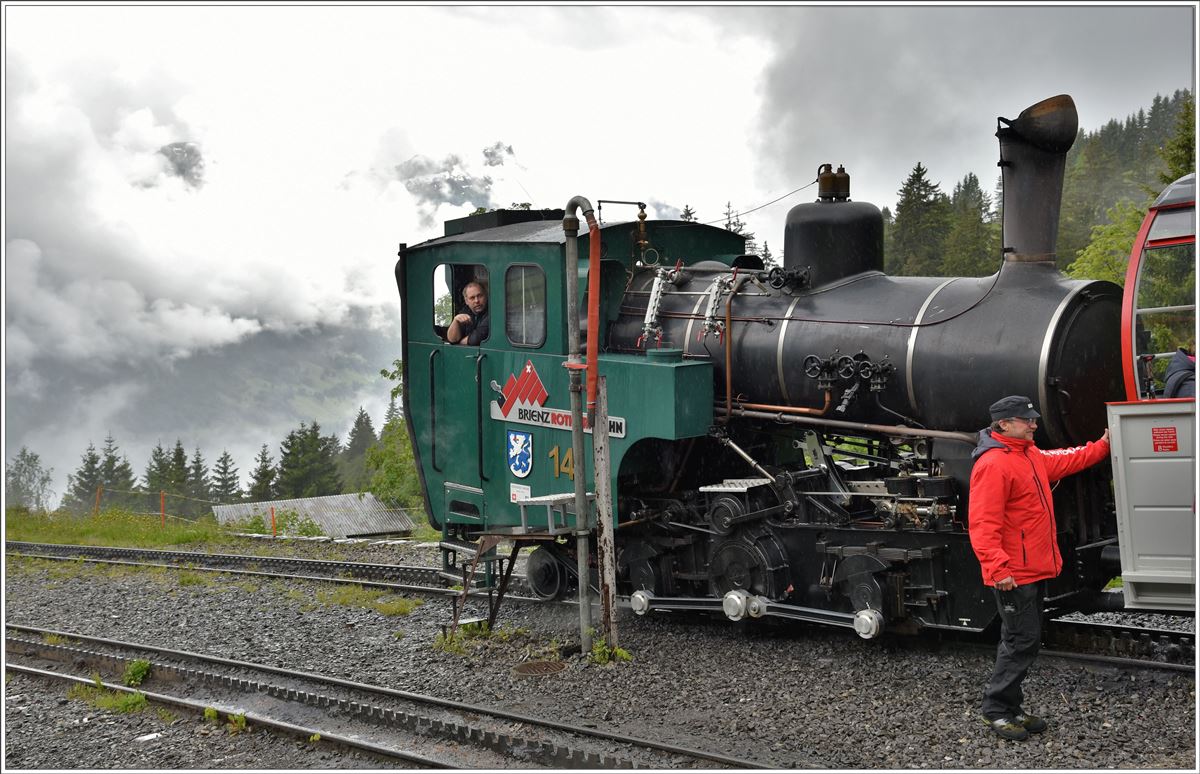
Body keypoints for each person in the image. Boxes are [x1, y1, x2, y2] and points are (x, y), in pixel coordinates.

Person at [967, 395, 1110, 742]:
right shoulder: (993, 464)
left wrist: (1103, 445)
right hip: (1013, 573)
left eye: (1033, 418)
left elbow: (1067, 459)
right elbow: (983, 524)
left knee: (1022, 639)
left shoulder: (1027, 455)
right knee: (1021, 641)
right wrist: (998, 569)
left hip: (1030, 569)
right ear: (1004, 425)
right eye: (1026, 420)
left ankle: (1011, 708)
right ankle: (996, 710)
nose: (1034, 424)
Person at [446, 281, 489, 345]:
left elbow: (477, 338)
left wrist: (461, 343)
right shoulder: (465, 311)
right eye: (472, 298)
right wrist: (455, 321)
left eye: (480, 296)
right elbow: (452, 339)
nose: (476, 301)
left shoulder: (493, 311)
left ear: (485, 296)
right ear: (466, 301)